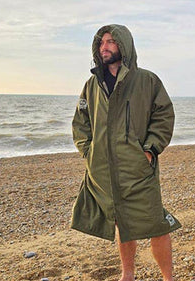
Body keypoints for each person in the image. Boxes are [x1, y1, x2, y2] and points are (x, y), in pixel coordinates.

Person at [70, 24, 181, 281]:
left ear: (124, 45)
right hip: (104, 170)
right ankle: (127, 275)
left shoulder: (147, 81)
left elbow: (164, 116)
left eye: (110, 41)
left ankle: (168, 277)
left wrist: (150, 151)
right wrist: (89, 152)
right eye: (101, 43)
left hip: (138, 168)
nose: (104, 47)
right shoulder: (92, 85)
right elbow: (80, 122)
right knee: (121, 222)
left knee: (156, 224)